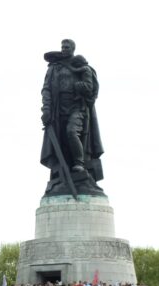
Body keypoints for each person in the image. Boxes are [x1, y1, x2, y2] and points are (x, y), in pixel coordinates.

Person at [40, 38, 104, 196]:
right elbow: (46, 89)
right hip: (57, 110)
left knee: (71, 132)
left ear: (73, 49)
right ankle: (63, 175)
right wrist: (46, 109)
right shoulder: (54, 68)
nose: (64, 49)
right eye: (62, 46)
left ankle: (79, 164)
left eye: (67, 46)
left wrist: (80, 87)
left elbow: (91, 89)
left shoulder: (81, 67)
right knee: (61, 143)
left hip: (77, 107)